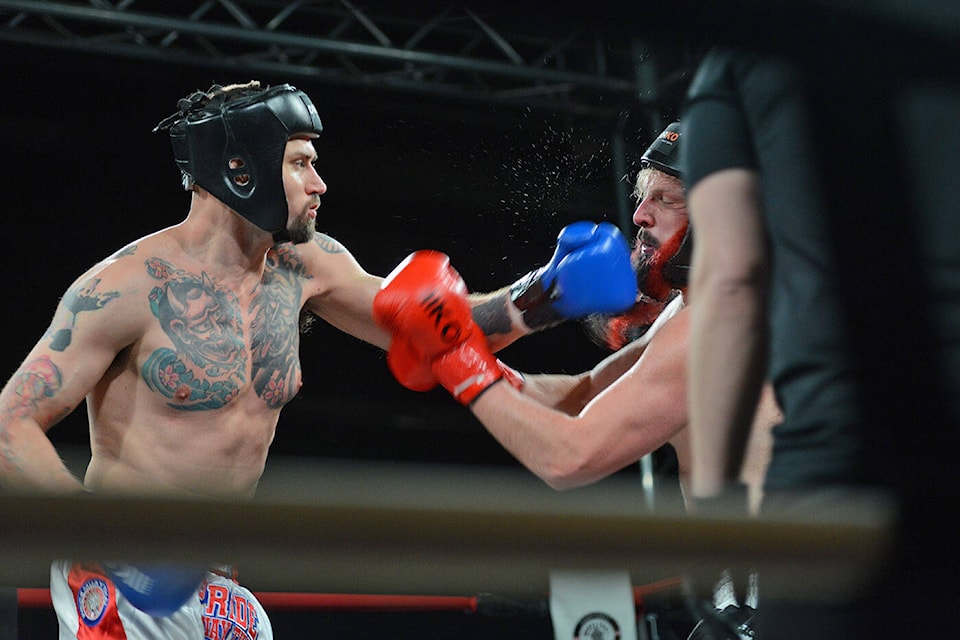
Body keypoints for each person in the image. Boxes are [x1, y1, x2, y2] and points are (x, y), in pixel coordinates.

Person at [0, 81, 639, 639]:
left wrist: (547, 294)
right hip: (118, 579)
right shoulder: (124, 288)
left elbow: (435, 332)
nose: (319, 184)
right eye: (301, 163)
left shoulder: (308, 267)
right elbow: (11, 422)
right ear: (241, 168)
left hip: (220, 585)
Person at [372, 123, 782, 634]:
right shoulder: (691, 312)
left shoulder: (724, 322)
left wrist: (457, 361)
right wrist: (463, 352)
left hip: (779, 602)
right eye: (642, 196)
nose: (638, 214)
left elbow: (571, 457)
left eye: (666, 199)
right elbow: (582, 393)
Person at [682, 38, 960, 638]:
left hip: (848, 458)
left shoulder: (740, 56)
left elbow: (731, 280)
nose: (645, 217)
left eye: (657, 199)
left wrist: (710, 519)